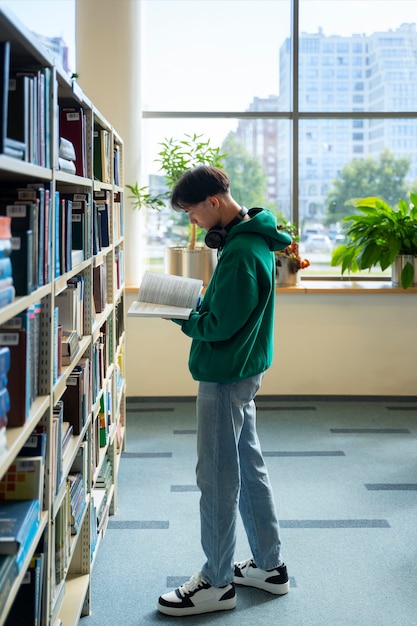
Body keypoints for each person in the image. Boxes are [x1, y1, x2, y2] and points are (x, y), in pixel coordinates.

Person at [157, 166, 292, 617]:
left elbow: (218, 325)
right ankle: (270, 567)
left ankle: (216, 582)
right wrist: (196, 304)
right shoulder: (252, 240)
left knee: (216, 478)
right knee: (249, 469)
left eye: (192, 211)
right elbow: (229, 309)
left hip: (225, 375)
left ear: (214, 202)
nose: (191, 222)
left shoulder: (239, 254)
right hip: (243, 371)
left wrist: (177, 314)